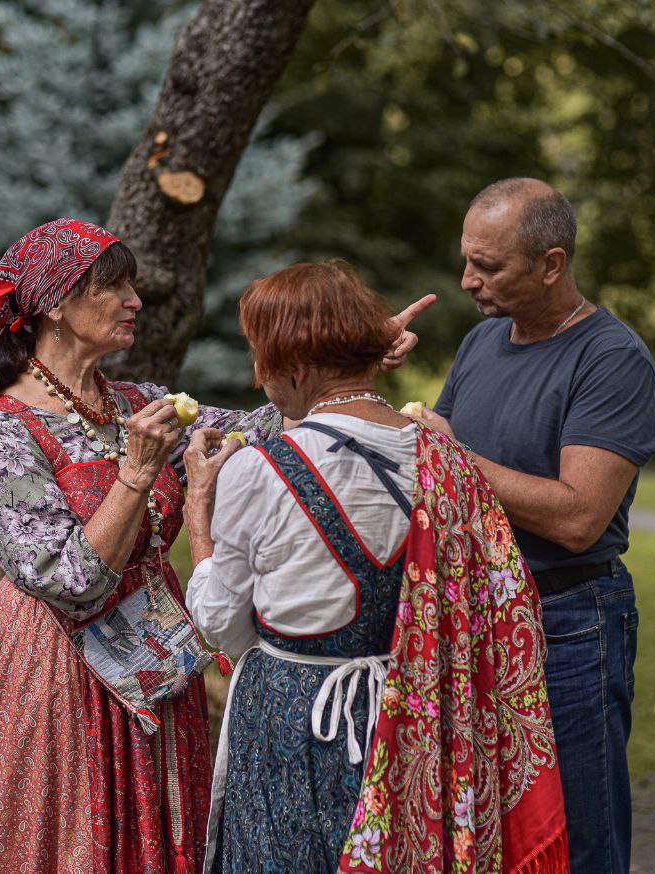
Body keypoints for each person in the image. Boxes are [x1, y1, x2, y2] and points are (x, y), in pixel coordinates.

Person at [0, 219, 425, 873]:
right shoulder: (6, 434)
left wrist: (347, 361)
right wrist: (136, 473)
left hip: (156, 665)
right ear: (57, 305)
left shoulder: (136, 405)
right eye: (115, 287)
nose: (135, 301)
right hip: (64, 673)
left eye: (133, 286)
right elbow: (68, 583)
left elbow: (268, 424)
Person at [185, 261, 569, 874]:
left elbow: (221, 626)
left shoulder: (258, 469)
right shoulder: (444, 458)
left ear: (296, 366)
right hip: (415, 708)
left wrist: (197, 517)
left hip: (295, 716)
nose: (258, 377)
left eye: (261, 357)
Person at [418, 178, 655, 874]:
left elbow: (579, 517)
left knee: (579, 839)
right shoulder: (479, 343)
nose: (468, 279)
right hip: (476, 617)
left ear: (551, 264)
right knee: (492, 834)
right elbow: (438, 473)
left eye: (488, 266)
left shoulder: (610, 358)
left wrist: (454, 456)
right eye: (468, 260)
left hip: (568, 622)